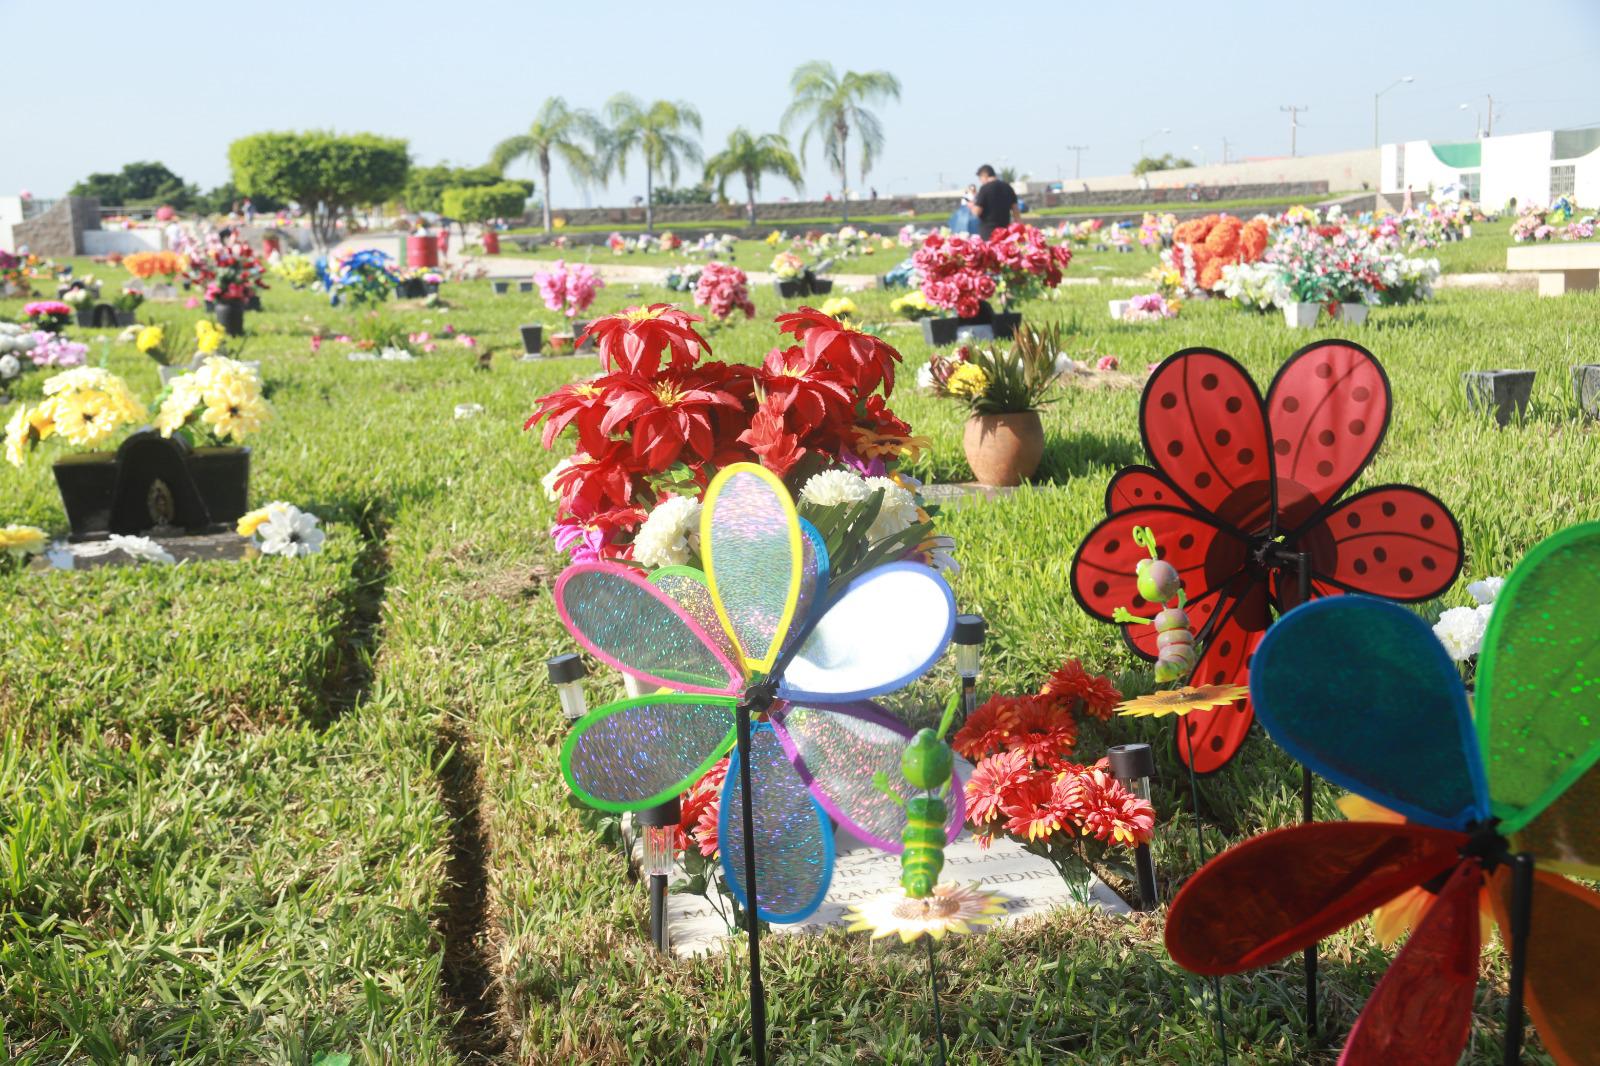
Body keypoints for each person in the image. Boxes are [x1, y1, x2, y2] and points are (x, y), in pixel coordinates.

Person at [969, 164, 1017, 239]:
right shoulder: (1008, 187)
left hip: (988, 233)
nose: (980, 181)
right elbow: (1015, 211)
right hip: (1004, 231)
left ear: (984, 175)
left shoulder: (985, 188)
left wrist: (971, 206)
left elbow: (977, 212)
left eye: (980, 178)